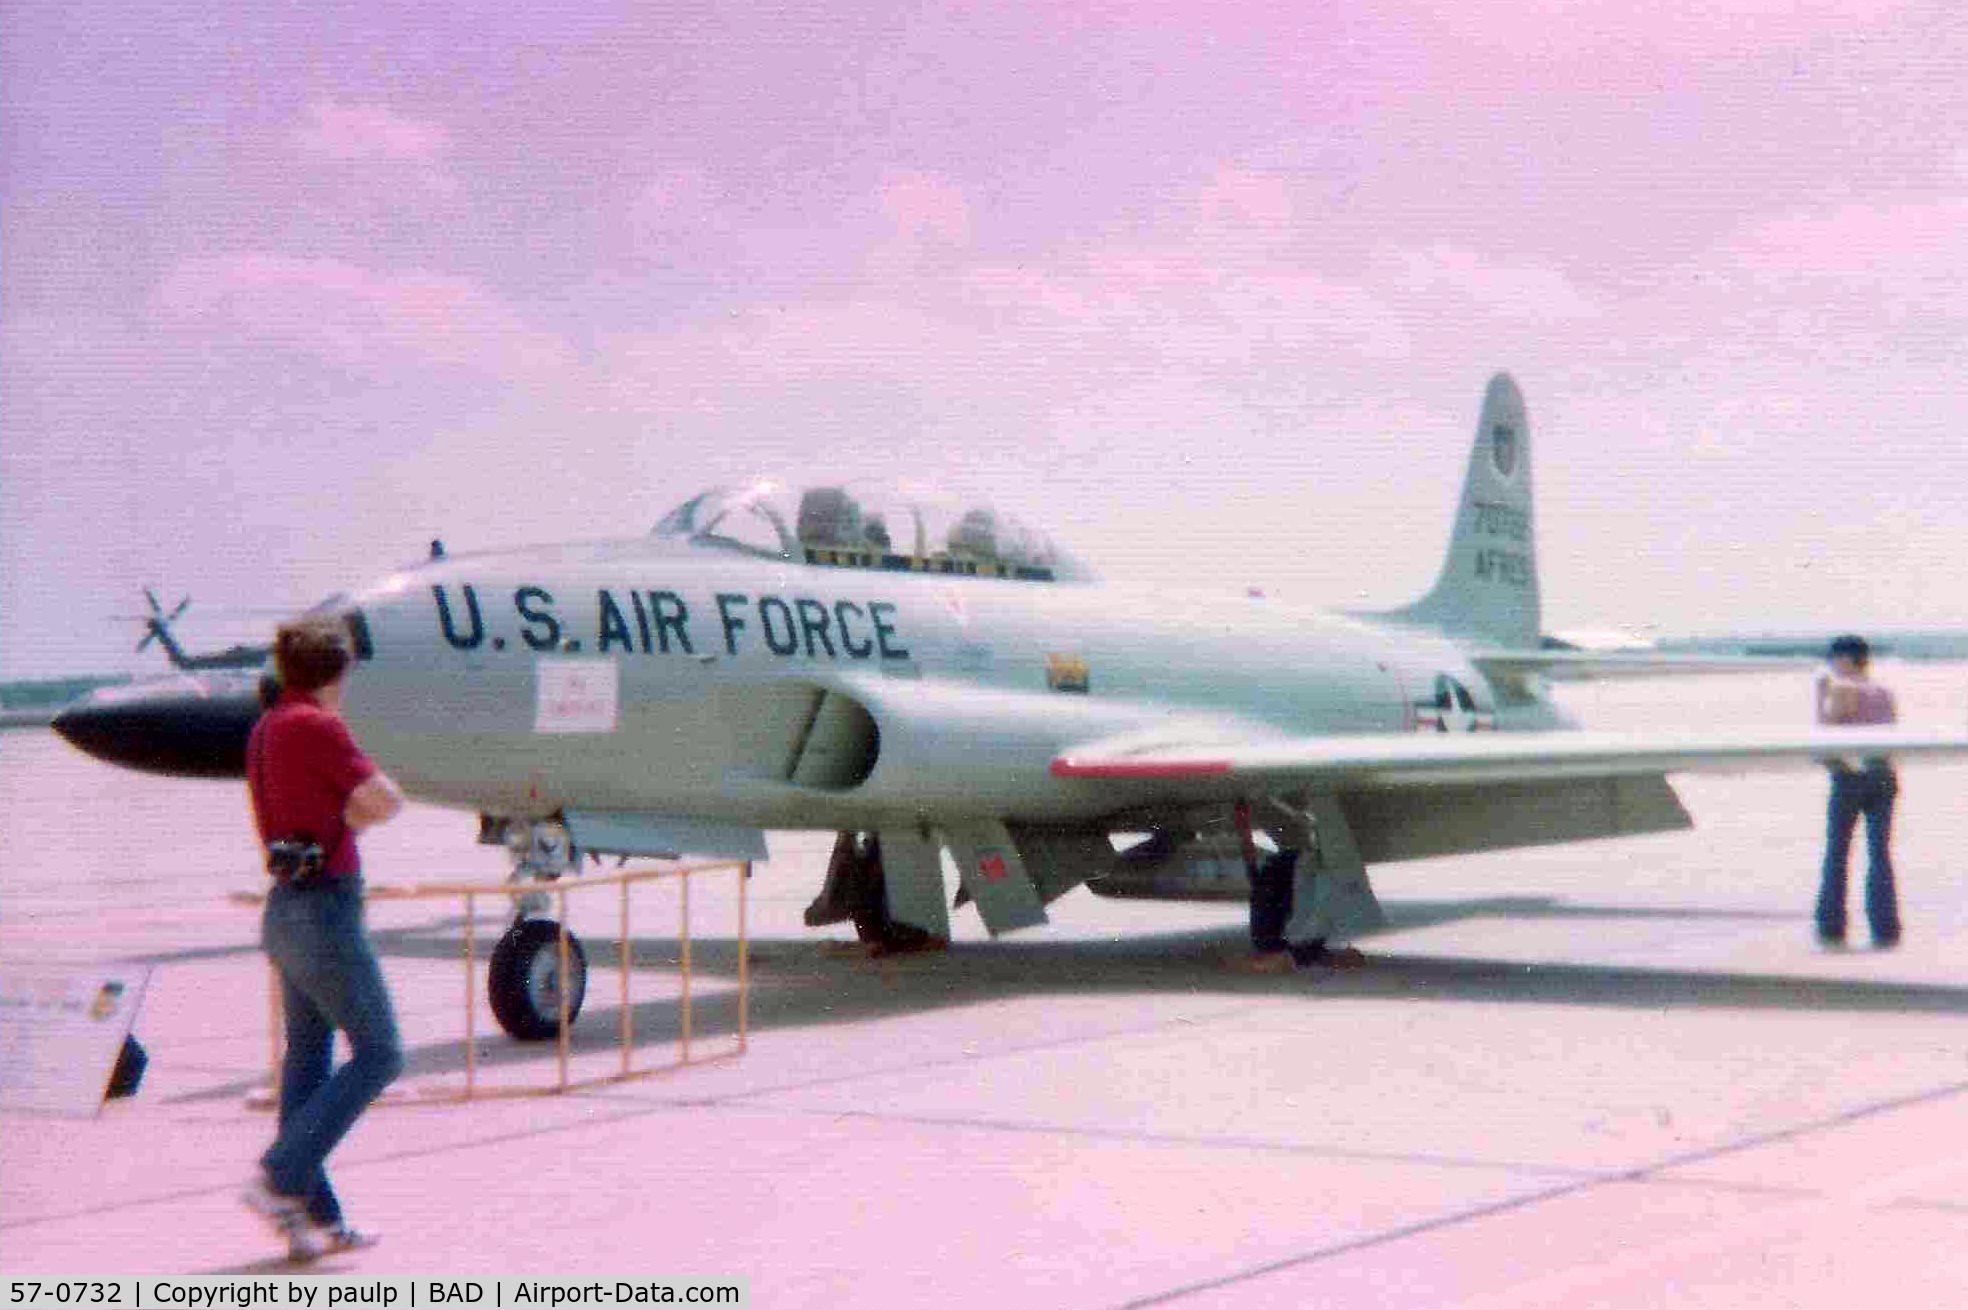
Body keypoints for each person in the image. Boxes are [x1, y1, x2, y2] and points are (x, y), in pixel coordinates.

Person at [240, 617, 406, 1260]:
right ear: (338, 672)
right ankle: (278, 1177)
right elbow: (385, 801)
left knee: (307, 1064)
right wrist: (350, 814)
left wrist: (339, 813)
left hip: (284, 910)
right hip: (326, 912)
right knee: (381, 1053)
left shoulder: (266, 728)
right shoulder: (317, 724)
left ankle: (314, 1219)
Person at [1814, 634, 1900, 950]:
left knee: (1837, 853)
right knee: (1880, 853)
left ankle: (1831, 925)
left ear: (1846, 660)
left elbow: (1825, 735)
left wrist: (1819, 697)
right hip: (1882, 773)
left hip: (1850, 777)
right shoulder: (1883, 692)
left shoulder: (1842, 689)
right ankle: (1885, 926)